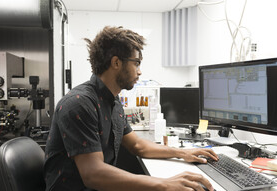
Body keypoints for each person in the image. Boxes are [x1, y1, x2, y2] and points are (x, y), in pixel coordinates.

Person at [44, 26, 218, 191]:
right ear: (116, 63)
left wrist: (182, 153)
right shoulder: (79, 103)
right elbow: (93, 174)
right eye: (136, 63)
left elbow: (137, 145)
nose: (140, 71)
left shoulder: (112, 101)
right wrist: (164, 184)